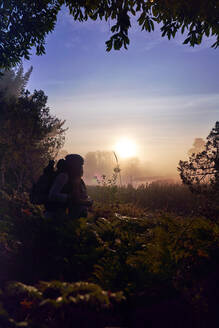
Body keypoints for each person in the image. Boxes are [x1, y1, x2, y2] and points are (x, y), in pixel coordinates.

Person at [48, 154, 92, 219]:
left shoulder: (77, 179)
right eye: (79, 165)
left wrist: (87, 200)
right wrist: (69, 197)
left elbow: (81, 195)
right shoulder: (63, 176)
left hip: (68, 216)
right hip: (57, 215)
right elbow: (52, 196)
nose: (81, 168)